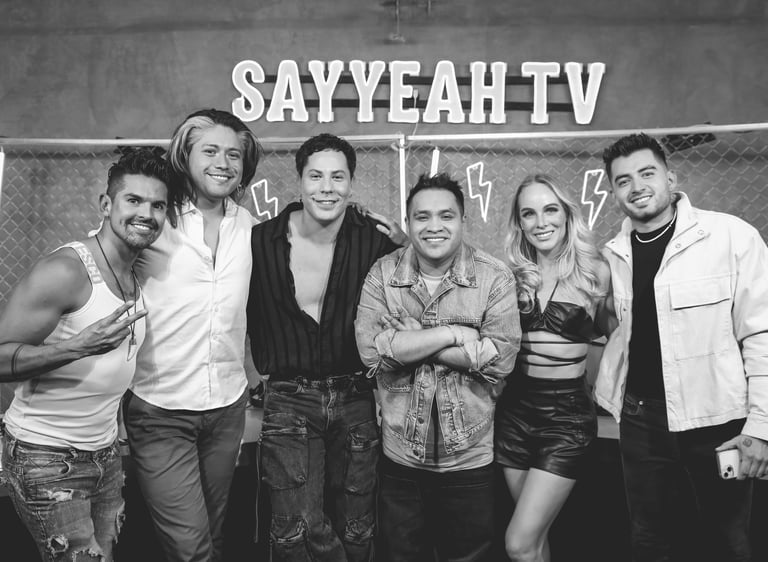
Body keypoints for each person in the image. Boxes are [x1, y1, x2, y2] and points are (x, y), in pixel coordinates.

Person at [596, 132, 768, 562]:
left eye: (647, 173)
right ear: (614, 192)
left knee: (727, 541)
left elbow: (761, 333)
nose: (637, 187)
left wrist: (760, 428)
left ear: (670, 178)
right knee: (649, 540)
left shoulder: (730, 237)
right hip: (641, 421)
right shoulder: (613, 255)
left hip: (718, 418)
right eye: (623, 180)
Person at [0, 149, 170, 561]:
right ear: (106, 205)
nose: (146, 213)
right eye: (133, 200)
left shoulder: (133, 270)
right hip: (48, 455)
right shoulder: (67, 270)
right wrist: (77, 346)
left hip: (104, 454)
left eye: (158, 205)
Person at [246, 132, 405, 561]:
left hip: (355, 394)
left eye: (338, 177)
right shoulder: (260, 240)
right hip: (288, 397)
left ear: (351, 183)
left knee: (357, 525)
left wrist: (405, 241)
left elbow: (423, 275)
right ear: (299, 180)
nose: (327, 187)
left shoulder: (374, 239)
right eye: (316, 176)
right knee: (295, 528)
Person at [355, 172, 521, 562]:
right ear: (408, 222)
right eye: (422, 216)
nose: (434, 226)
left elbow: (500, 360)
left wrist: (415, 341)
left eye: (446, 216)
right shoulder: (383, 274)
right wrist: (453, 334)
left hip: (469, 458)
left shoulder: (493, 277)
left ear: (463, 220)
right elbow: (372, 353)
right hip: (400, 457)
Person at [122, 109, 262, 562]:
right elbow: (100, 259)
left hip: (226, 407)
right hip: (161, 409)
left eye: (234, 155)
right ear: (185, 155)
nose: (224, 163)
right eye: (211, 151)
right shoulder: (156, 219)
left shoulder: (249, 226)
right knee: (191, 547)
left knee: (214, 535)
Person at [494, 173, 613, 562]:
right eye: (529, 213)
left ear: (566, 214)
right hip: (514, 413)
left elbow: (620, 337)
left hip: (566, 418)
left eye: (550, 210)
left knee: (518, 543)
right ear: (519, 222)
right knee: (534, 541)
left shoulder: (596, 271)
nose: (540, 222)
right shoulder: (511, 275)